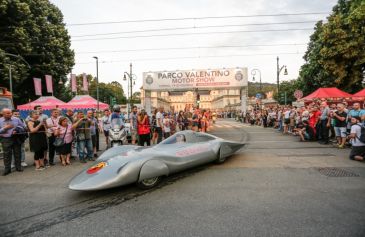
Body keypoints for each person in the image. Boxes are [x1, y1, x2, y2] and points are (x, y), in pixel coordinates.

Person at [0, 108, 26, 175]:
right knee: (6, 155)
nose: (10, 114)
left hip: (16, 138)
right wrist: (5, 128)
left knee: (17, 153)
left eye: (10, 113)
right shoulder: (0, 120)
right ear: (3, 114)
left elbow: (23, 127)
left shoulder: (16, 119)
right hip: (5, 139)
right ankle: (7, 169)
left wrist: (17, 130)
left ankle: (18, 167)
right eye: (8, 113)